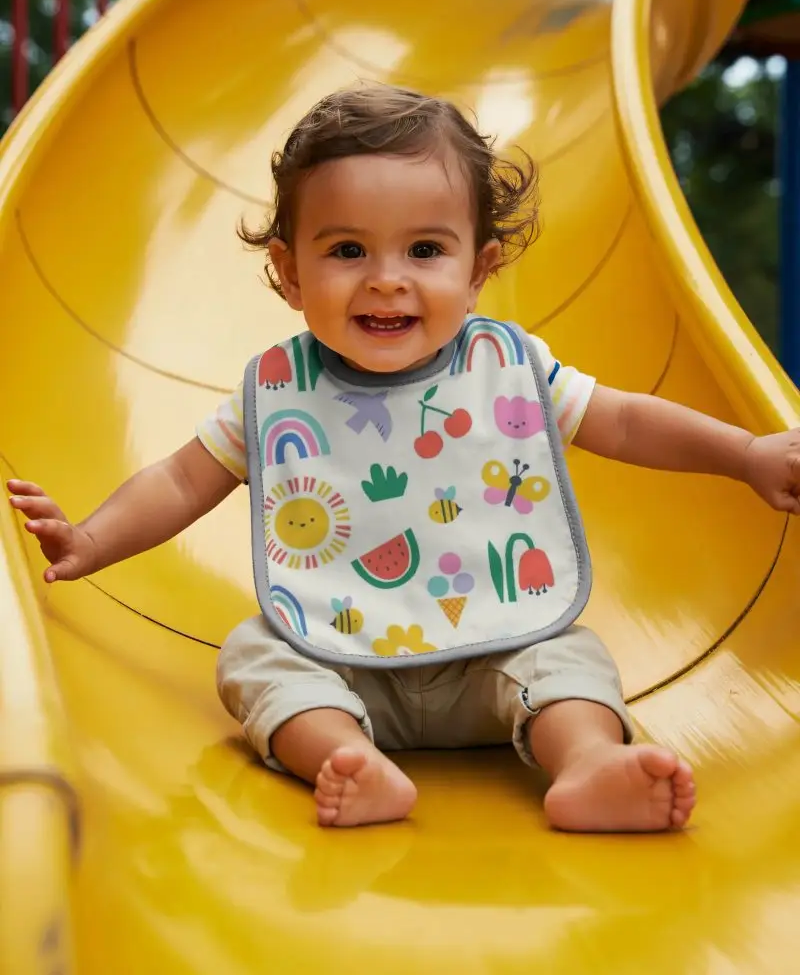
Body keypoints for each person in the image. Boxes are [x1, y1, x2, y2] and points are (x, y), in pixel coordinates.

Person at [8, 84, 800, 834]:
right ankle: (344, 757)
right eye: (348, 250)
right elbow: (182, 479)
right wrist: (91, 539)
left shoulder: (508, 371)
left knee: (568, 658)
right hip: (339, 656)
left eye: (425, 250)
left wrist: (745, 454)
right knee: (254, 655)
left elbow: (624, 422)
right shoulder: (280, 394)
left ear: (479, 270)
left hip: (499, 647)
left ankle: (589, 763)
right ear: (290, 272)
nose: (386, 282)